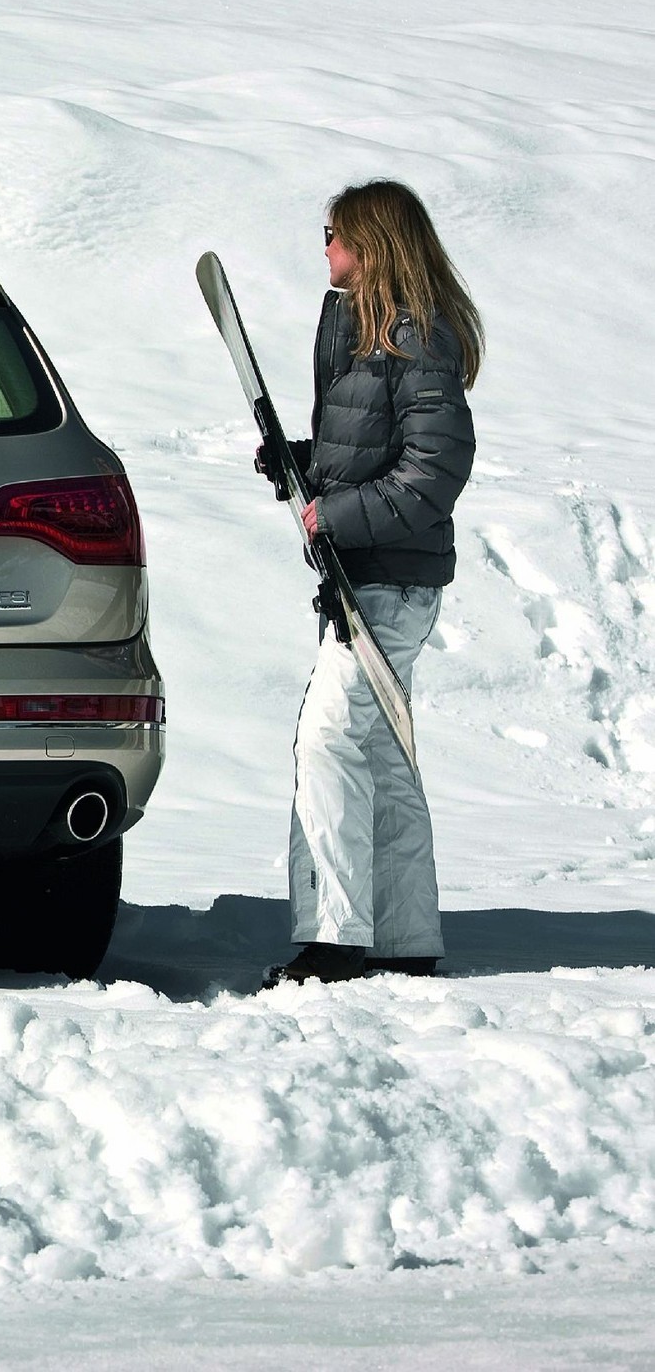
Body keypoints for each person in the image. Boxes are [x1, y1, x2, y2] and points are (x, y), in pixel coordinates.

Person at [255, 182, 481, 985]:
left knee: (328, 743)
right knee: (382, 755)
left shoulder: (415, 338)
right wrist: (303, 459)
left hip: (388, 582)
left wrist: (339, 516)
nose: (323, 248)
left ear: (371, 241)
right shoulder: (374, 334)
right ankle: (405, 940)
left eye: (333, 234)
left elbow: (434, 470)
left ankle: (336, 939)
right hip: (375, 577)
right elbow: (370, 449)